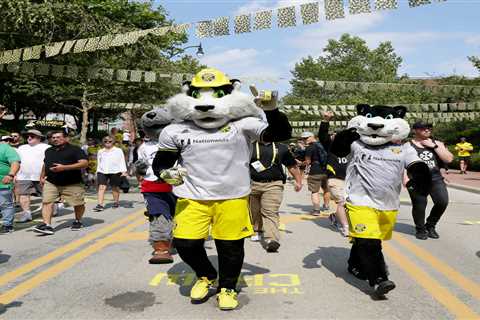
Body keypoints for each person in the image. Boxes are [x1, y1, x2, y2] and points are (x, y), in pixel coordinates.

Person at [152, 69, 291, 310]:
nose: (207, 104)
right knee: (185, 244)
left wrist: (272, 110)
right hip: (192, 197)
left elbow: (280, 134)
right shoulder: (174, 130)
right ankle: (206, 275)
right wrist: (166, 174)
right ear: (188, 94)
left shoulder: (243, 124)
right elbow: (162, 163)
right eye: (198, 95)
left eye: (216, 95)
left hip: (232, 197)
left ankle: (227, 287)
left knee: (230, 247)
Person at [136, 108, 176, 264]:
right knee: (159, 217)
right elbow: (141, 166)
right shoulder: (144, 147)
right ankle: (161, 249)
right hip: (153, 187)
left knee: (180, 218)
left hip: (179, 186)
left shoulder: (179, 141)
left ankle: (179, 241)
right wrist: (139, 168)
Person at [249, 141, 302, 252]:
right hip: (253, 184)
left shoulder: (281, 147)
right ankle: (257, 230)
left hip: (274, 184)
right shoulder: (250, 146)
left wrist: (298, 181)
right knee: (255, 210)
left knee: (270, 211)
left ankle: (272, 239)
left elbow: (291, 166)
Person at [33, 130, 88, 235]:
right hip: (51, 181)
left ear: (66, 138)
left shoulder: (75, 150)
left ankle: (78, 220)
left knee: (78, 203)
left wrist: (64, 168)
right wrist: (41, 176)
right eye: (53, 137)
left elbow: (84, 163)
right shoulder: (48, 150)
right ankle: (47, 225)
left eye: (58, 137)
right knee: (47, 202)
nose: (55, 139)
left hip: (72, 182)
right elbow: (45, 164)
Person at [407, 121, 454, 240]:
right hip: (417, 180)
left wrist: (434, 147)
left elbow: (449, 159)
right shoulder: (407, 145)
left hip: (436, 179)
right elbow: (402, 162)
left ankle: (430, 225)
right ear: (415, 130)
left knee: (442, 202)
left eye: (429, 128)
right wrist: (405, 179)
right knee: (420, 206)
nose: (427, 130)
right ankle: (420, 229)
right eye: (423, 128)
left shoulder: (437, 143)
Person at [318, 112, 350, 237]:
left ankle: (335, 216)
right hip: (335, 180)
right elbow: (322, 136)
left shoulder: (352, 147)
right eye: (335, 135)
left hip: (350, 181)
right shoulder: (330, 146)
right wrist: (325, 120)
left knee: (350, 204)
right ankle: (345, 227)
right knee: (342, 202)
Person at [15, 130, 50, 223]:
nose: (29, 138)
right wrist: (15, 174)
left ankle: (50, 210)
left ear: (39, 138)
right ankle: (27, 214)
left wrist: (48, 174)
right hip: (23, 176)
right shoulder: (22, 147)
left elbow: (50, 161)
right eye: (28, 136)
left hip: (41, 176)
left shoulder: (46, 147)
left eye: (32, 136)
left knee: (46, 195)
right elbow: (16, 161)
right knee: (23, 195)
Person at [93, 136, 127, 211]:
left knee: (115, 187)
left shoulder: (118, 150)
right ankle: (100, 205)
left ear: (113, 142)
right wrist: (97, 171)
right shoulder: (100, 151)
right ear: (103, 142)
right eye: (105, 141)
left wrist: (124, 171)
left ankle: (116, 202)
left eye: (110, 141)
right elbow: (99, 162)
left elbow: (122, 161)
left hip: (115, 171)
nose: (107, 143)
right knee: (101, 187)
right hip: (102, 171)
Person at [303, 131, 330, 215]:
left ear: (312, 136)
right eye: (303, 138)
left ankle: (316, 210)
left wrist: (300, 163)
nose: (304, 140)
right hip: (326, 170)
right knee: (326, 189)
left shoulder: (309, 148)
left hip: (315, 171)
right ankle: (326, 205)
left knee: (314, 191)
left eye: (306, 138)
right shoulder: (323, 145)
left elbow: (308, 161)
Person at [0, 138, 20, 233]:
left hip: (2, 182)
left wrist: (11, 175)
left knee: (5, 204)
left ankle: (7, 225)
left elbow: (15, 162)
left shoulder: (6, 148)